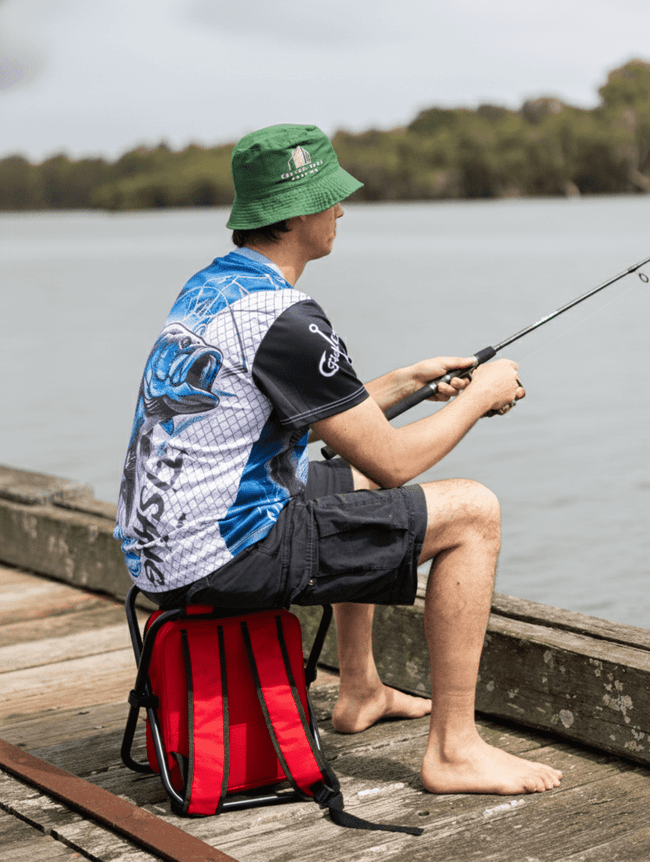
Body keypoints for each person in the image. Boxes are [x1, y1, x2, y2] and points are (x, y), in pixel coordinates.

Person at [115, 123, 562, 796]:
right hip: (223, 557)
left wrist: (410, 380)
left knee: (341, 481)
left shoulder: (216, 290)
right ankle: (455, 749)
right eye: (329, 197)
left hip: (163, 551)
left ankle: (362, 689)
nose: (341, 210)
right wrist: (482, 398)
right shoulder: (286, 319)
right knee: (473, 512)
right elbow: (395, 465)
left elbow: (328, 419)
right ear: (294, 214)